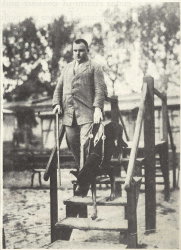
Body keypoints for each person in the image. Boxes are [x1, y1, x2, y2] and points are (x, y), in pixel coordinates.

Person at [52, 38, 107, 191]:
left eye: (81, 50)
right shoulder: (67, 68)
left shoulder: (95, 67)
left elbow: (100, 89)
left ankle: (83, 183)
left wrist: (97, 108)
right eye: (75, 50)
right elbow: (58, 88)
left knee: (85, 145)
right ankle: (84, 173)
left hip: (86, 113)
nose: (78, 53)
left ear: (87, 50)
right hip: (69, 115)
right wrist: (56, 103)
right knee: (73, 145)